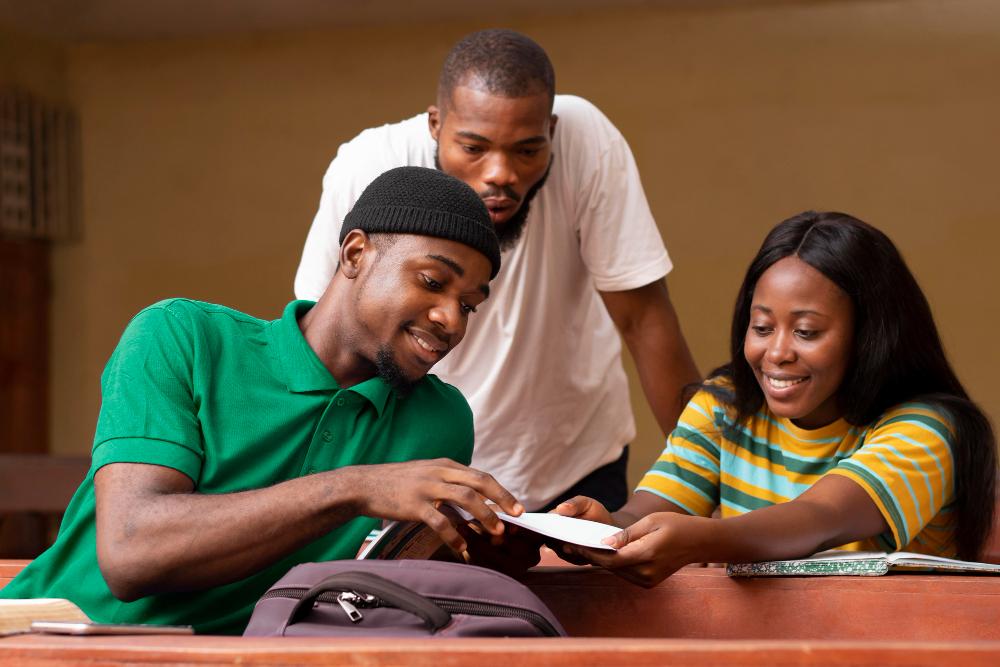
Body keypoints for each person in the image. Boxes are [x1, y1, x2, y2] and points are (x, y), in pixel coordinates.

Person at [0, 167, 525, 634]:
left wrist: (523, 542)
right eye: (432, 282)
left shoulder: (440, 420)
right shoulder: (182, 337)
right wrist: (355, 488)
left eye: (469, 306)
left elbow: (392, 588)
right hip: (45, 641)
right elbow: (132, 554)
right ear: (355, 254)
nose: (451, 320)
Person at [295, 29, 699, 512]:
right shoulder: (368, 165)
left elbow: (644, 320)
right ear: (435, 124)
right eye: (473, 148)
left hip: (574, 461)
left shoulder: (587, 140)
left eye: (527, 151)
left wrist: (706, 489)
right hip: (419, 467)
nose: (500, 174)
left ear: (551, 130)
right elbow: (328, 341)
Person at [554, 210, 998, 586]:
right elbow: (644, 513)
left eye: (806, 332)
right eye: (762, 327)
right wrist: (603, 528)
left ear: (869, 337)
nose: (777, 353)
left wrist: (702, 540)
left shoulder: (928, 428)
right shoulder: (723, 406)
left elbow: (820, 519)